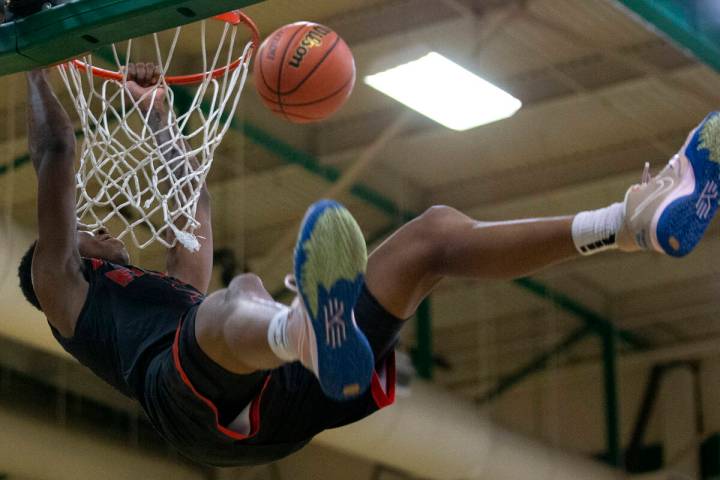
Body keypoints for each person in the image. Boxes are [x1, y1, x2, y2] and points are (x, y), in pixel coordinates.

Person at [17, 65, 719, 467]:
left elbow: (190, 207)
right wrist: (33, 61)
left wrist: (162, 120)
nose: (95, 224)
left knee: (432, 237)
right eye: (81, 229)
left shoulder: (164, 297)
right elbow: (55, 154)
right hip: (194, 411)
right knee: (240, 297)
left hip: (274, 378)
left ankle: (627, 227)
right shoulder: (60, 289)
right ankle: (304, 332)